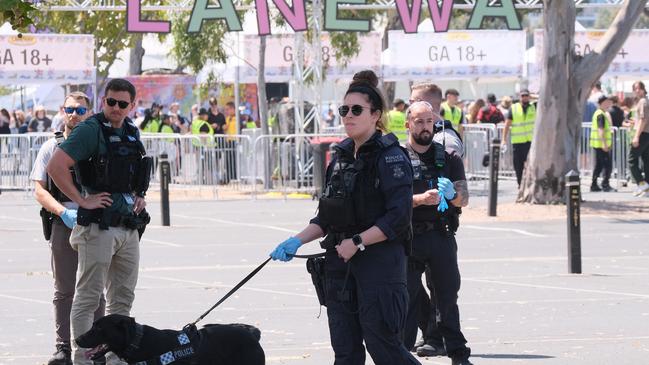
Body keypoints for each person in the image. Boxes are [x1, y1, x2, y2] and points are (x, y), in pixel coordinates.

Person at [269, 70, 420, 365]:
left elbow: (398, 218)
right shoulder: (339, 157)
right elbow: (325, 218)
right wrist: (295, 241)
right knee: (346, 353)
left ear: (376, 114)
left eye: (356, 110)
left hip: (379, 268)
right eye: (344, 110)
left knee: (385, 349)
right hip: (339, 266)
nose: (348, 115)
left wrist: (359, 241)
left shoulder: (390, 157)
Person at [47, 78, 152, 365]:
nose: (115, 108)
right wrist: (82, 200)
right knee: (88, 297)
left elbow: (132, 173)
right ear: (103, 101)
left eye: (122, 104)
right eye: (110, 102)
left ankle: (117, 359)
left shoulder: (131, 131)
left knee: (122, 300)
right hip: (98, 227)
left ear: (132, 105)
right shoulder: (90, 130)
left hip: (128, 226)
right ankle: (83, 360)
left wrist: (138, 196)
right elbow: (56, 167)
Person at [29, 92, 106, 365]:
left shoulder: (97, 145)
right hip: (63, 221)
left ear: (89, 112)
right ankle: (63, 347)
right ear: (63, 110)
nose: (74, 114)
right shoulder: (51, 146)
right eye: (70, 108)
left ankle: (98, 346)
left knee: (95, 288)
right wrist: (62, 212)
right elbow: (39, 189)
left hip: (95, 220)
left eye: (80, 109)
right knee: (64, 289)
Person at [402, 101, 473, 365]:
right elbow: (389, 202)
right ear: (408, 123)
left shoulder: (448, 157)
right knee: (405, 299)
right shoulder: (397, 157)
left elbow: (464, 199)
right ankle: (401, 354)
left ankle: (458, 353)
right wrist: (419, 199)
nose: (424, 127)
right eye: (419, 121)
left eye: (429, 121)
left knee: (447, 297)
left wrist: (452, 195)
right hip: (408, 238)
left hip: (441, 236)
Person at [410, 83, 464, 157]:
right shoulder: (430, 134)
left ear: (424, 104)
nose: (410, 106)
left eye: (412, 102)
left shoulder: (446, 141)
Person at [502, 89, 536, 186]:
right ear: (519, 97)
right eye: (523, 96)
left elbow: (543, 99)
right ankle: (520, 185)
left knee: (531, 165)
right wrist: (504, 139)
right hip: (517, 142)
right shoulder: (514, 108)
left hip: (530, 142)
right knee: (518, 165)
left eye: (526, 95)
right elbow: (507, 125)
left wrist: (533, 96)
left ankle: (530, 184)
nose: (524, 97)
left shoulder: (534, 106)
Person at [590, 95, 614, 192]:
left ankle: (594, 185)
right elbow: (601, 130)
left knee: (599, 166)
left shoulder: (599, 113)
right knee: (607, 165)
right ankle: (605, 184)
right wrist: (604, 144)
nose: (608, 104)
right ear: (602, 103)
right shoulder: (600, 114)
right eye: (607, 102)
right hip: (601, 145)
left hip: (598, 144)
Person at [629, 81, 649, 197]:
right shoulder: (645, 101)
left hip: (642, 134)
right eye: (635, 89)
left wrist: (636, 136)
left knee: (631, 160)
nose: (637, 91)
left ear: (643, 89)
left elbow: (643, 119)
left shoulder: (643, 101)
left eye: (638, 88)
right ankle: (645, 187)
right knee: (646, 161)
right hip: (646, 133)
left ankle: (642, 184)